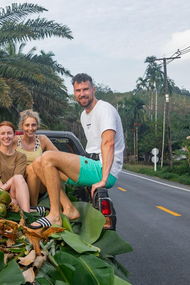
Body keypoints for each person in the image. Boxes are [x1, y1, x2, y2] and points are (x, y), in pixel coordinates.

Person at [30, 73, 125, 228]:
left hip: (101, 169)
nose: (82, 94)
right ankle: (68, 208)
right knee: (37, 163)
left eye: (86, 89)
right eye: (78, 90)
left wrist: (103, 179)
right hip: (91, 164)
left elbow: (108, 143)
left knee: (47, 157)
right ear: (74, 93)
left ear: (93, 89)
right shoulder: (84, 115)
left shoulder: (104, 109)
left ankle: (54, 215)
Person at [0, 121, 30, 212]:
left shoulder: (21, 156)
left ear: (14, 135)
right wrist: (10, 200)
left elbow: (16, 180)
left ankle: (27, 215)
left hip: (14, 195)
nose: (6, 137)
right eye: (3, 133)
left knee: (18, 178)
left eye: (9, 133)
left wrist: (12, 199)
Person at [16, 109, 59, 209]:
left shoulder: (42, 139)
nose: (30, 128)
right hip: (21, 182)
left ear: (37, 125)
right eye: (27, 125)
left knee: (32, 168)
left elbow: (58, 156)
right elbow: (2, 153)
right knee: (28, 170)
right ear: (22, 126)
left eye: (33, 125)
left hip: (40, 183)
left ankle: (33, 208)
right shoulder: (15, 141)